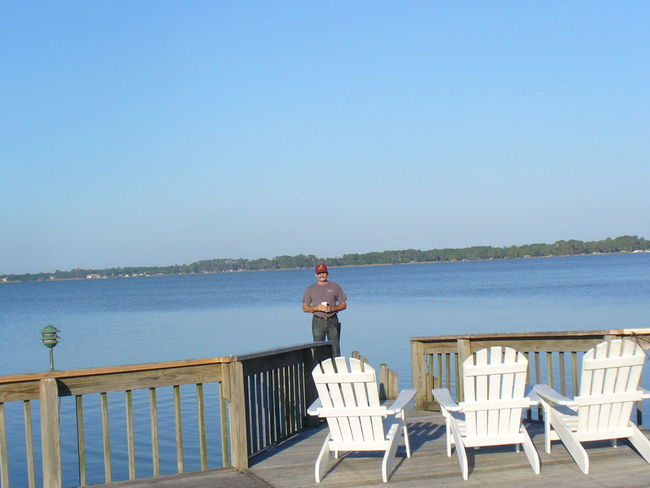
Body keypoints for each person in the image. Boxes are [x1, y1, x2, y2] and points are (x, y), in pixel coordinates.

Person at [302, 264, 347, 357]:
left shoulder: (335, 287)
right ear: (316, 275)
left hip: (332, 320)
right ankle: (320, 369)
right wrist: (317, 308)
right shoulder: (310, 289)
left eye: (323, 273)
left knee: (335, 349)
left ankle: (336, 370)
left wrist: (333, 308)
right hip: (318, 321)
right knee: (318, 349)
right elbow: (305, 308)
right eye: (319, 273)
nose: (322, 275)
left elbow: (344, 304)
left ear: (327, 274)